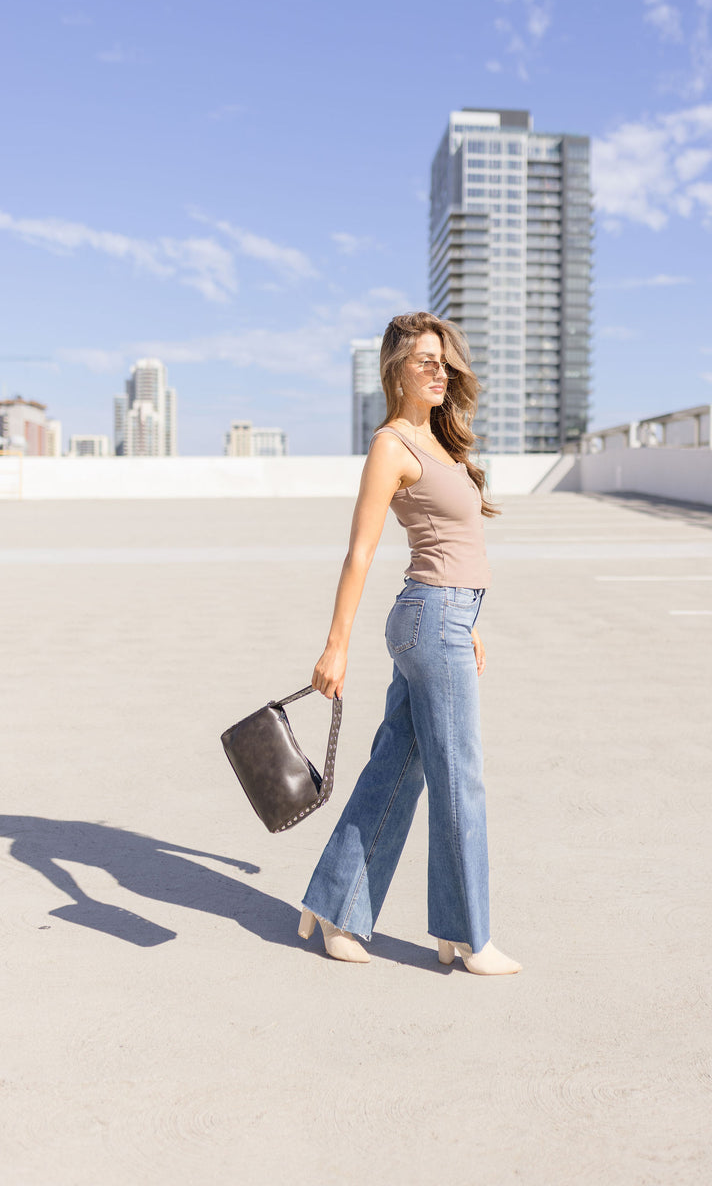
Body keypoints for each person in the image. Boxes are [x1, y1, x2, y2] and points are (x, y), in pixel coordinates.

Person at [298, 311, 520, 976]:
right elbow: (360, 551)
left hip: (446, 618)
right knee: (461, 779)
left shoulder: (442, 444)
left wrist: (470, 623)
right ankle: (468, 936)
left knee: (400, 768)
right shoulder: (392, 445)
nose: (438, 369)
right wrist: (335, 646)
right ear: (394, 370)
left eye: (443, 359)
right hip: (430, 620)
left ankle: (335, 907)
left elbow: (448, 544)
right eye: (423, 359)